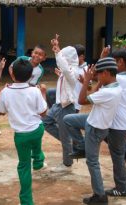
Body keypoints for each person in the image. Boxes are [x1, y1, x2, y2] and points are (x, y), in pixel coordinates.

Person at [0, 59, 48, 205]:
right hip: (37, 129)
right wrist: (42, 94)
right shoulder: (35, 91)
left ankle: (27, 201)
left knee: (24, 166)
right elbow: (43, 112)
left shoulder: (6, 91)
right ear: (31, 75)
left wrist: (3, 95)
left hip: (21, 136)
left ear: (12, 74)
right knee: (37, 147)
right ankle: (38, 160)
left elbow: (1, 112)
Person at [78, 57, 122, 205]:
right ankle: (80, 146)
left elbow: (81, 100)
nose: (96, 76)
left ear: (107, 73)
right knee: (69, 120)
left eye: (98, 74)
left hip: (95, 128)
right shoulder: (115, 87)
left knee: (92, 162)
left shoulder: (107, 93)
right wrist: (98, 82)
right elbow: (94, 95)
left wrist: (86, 81)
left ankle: (100, 195)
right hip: (100, 126)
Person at [102, 47, 126, 197]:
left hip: (118, 123)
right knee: (103, 134)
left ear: (121, 62)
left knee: (117, 157)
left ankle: (122, 188)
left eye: (113, 62)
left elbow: (103, 77)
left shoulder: (119, 79)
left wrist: (102, 58)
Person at [42, 34, 78, 172]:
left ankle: (67, 164)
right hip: (58, 105)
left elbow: (65, 68)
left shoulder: (72, 71)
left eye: (63, 56)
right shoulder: (66, 71)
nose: (60, 58)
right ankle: (67, 142)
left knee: (64, 136)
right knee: (45, 122)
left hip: (66, 107)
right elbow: (64, 72)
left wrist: (57, 50)